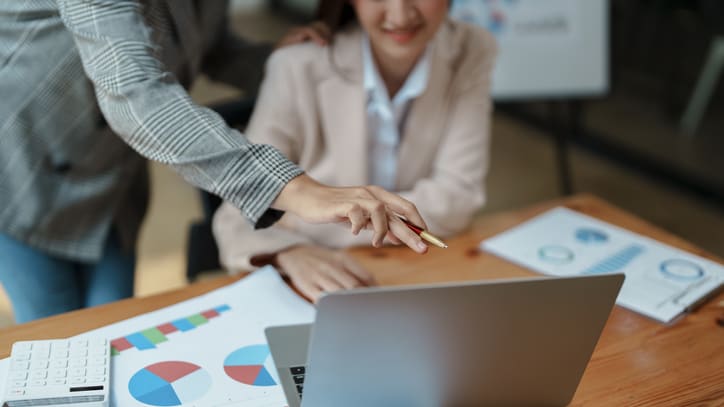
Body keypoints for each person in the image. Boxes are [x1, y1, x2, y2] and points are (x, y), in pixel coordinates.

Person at [0, 0, 429, 324]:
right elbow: (135, 94)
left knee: (110, 333)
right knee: (59, 341)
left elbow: (211, 47)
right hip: (22, 185)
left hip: (112, 185)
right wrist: (296, 189)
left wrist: (283, 63)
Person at [213, 0, 497, 301]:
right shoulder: (296, 65)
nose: (400, 15)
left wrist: (299, 221)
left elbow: (458, 197)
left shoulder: (472, 47)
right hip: (323, 282)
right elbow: (236, 217)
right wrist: (290, 250)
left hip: (414, 268)